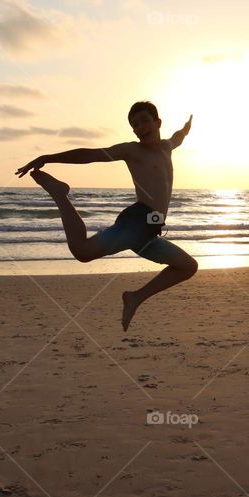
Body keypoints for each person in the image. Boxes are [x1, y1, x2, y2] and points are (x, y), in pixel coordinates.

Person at [16, 101, 197, 331]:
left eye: (144, 121)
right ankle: (60, 194)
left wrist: (187, 128)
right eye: (135, 125)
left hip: (149, 232)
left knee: (188, 266)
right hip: (137, 223)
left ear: (157, 122)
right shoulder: (132, 150)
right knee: (81, 251)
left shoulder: (167, 147)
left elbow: (178, 137)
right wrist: (48, 157)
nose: (140, 127)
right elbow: (90, 155)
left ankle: (135, 298)